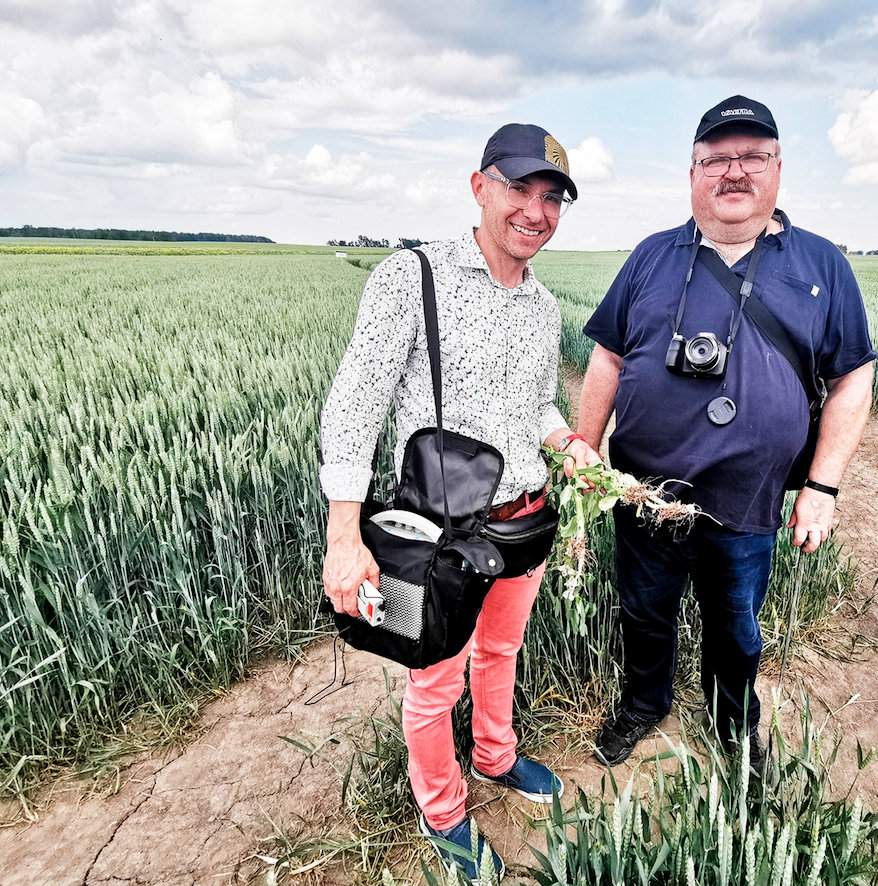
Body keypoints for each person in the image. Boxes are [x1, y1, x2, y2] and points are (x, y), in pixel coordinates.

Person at [319, 123, 599, 881]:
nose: (535, 211)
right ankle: (441, 809)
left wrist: (564, 440)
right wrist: (345, 537)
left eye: (552, 198)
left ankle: (497, 755)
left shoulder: (542, 306)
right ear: (480, 186)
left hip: (522, 522)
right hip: (440, 534)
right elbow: (355, 403)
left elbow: (536, 403)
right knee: (435, 676)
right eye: (520, 188)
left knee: (502, 651)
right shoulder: (414, 277)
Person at [577, 95, 876, 769]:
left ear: (778, 169)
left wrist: (822, 486)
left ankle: (735, 727)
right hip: (644, 494)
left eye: (753, 156)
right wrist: (583, 450)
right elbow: (607, 355)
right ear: (692, 174)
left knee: (736, 630)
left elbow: (855, 376)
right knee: (644, 612)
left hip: (747, 501)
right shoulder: (653, 256)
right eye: (717, 158)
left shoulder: (821, 265)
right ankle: (644, 704)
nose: (734, 171)